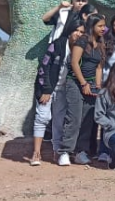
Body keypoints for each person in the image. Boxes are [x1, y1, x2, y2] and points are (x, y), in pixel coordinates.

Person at [30, 18, 84, 166]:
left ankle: (57, 151)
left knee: (59, 121)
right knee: (42, 118)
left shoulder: (80, 48)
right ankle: (36, 153)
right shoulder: (58, 45)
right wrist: (46, 90)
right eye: (76, 31)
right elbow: (44, 67)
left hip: (63, 90)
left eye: (81, 32)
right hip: (47, 88)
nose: (78, 34)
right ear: (70, 30)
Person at [58, 15, 106, 166]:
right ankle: (65, 151)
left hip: (91, 84)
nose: (103, 29)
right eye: (100, 26)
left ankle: (80, 151)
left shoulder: (100, 43)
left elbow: (99, 67)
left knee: (87, 119)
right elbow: (74, 63)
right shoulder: (82, 41)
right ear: (92, 26)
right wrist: (83, 83)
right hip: (76, 83)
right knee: (75, 117)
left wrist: (97, 86)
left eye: (104, 26)